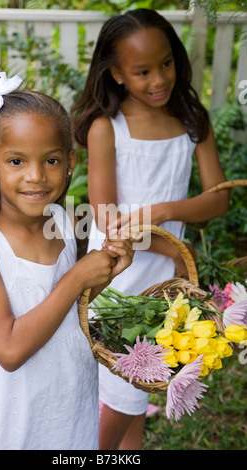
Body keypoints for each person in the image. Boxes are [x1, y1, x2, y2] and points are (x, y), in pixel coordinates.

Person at [0, 72, 134, 450]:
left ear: (70, 161)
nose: (35, 176)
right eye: (16, 161)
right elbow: (9, 350)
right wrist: (78, 277)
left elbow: (60, 304)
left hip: (65, 395)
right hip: (9, 414)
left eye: (50, 160)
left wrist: (104, 275)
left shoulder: (61, 221)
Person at [71, 9, 229, 450]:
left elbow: (219, 199)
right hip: (119, 274)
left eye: (166, 64)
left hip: (166, 279)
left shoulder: (193, 122)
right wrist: (169, 250)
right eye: (142, 71)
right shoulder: (108, 128)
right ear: (117, 74)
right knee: (125, 392)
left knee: (135, 391)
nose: (159, 79)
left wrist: (161, 210)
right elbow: (105, 219)